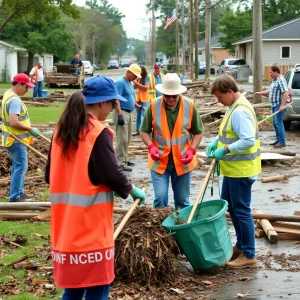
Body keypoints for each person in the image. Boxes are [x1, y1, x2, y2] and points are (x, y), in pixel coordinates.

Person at [45, 76, 146, 300]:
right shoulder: (96, 132)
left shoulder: (61, 129)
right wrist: (131, 189)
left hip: (65, 230)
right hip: (91, 230)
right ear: (101, 103)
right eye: (112, 104)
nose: (112, 109)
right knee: (98, 287)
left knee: (72, 289)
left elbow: (49, 174)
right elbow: (110, 173)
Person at [206, 75, 261, 269]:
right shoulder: (234, 106)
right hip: (232, 169)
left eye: (220, 97)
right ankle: (241, 245)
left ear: (230, 91)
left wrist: (225, 150)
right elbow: (231, 135)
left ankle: (249, 254)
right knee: (231, 207)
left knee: (241, 211)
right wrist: (217, 142)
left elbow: (247, 140)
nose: (218, 101)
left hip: (241, 170)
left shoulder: (240, 111)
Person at [139, 73, 203, 210]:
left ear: (179, 93)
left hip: (182, 161)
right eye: (167, 96)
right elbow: (143, 131)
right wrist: (151, 146)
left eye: (174, 96)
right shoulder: (154, 105)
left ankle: (180, 227)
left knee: (182, 201)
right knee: (160, 199)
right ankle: (160, 229)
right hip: (159, 161)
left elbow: (198, 132)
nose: (170, 99)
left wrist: (192, 150)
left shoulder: (189, 106)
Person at [1, 73, 40, 202]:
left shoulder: (8, 94)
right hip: (16, 139)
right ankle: (15, 196)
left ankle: (19, 193)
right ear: (19, 84)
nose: (27, 90)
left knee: (18, 166)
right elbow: (14, 122)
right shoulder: (15, 100)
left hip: (11, 138)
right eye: (26, 87)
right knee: (21, 166)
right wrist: (30, 129)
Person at [113, 64, 143, 172]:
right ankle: (119, 163)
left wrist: (137, 106)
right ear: (129, 72)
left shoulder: (129, 83)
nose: (136, 78)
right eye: (135, 75)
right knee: (122, 139)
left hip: (129, 113)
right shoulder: (120, 82)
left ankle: (125, 159)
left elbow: (130, 97)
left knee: (128, 138)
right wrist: (120, 114)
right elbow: (116, 99)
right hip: (122, 112)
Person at [254, 65, 289, 147]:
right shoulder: (274, 80)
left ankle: (282, 142)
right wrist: (260, 93)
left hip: (279, 105)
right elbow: (270, 90)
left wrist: (282, 106)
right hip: (274, 105)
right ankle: (278, 139)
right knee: (275, 123)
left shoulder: (281, 80)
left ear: (276, 72)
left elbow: (286, 92)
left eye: (271, 72)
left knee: (278, 123)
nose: (270, 74)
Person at [133, 66, 149, 136]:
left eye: (140, 71)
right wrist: (135, 82)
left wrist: (137, 83)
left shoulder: (147, 78)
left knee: (143, 115)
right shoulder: (138, 78)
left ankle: (143, 130)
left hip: (145, 99)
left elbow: (146, 88)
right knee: (138, 115)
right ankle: (137, 130)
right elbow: (134, 87)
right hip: (138, 98)